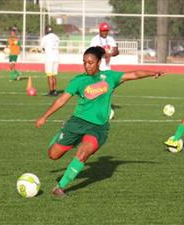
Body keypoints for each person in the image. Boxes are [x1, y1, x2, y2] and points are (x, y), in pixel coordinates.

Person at [36, 46, 164, 197]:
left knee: (83, 154)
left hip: (98, 128)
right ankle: (63, 132)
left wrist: (152, 72)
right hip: (77, 123)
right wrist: (44, 116)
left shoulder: (110, 77)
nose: (87, 65)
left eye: (90, 62)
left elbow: (134, 74)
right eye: (84, 62)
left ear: (98, 62)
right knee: (53, 155)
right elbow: (61, 100)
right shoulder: (78, 81)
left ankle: (60, 187)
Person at [40, 25, 60, 96]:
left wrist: (42, 50)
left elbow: (42, 47)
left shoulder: (45, 38)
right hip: (57, 57)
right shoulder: (57, 37)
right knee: (54, 75)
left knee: (49, 75)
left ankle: (51, 91)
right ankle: (54, 90)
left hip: (49, 58)